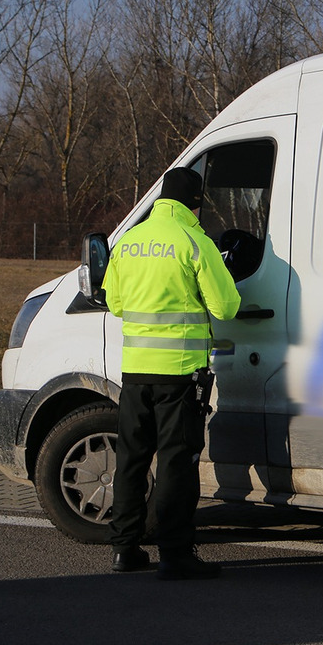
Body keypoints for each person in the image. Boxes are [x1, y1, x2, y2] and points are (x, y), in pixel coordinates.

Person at [101, 166, 241, 580]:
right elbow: (226, 307)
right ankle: (175, 554)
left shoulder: (130, 241)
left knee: (130, 459)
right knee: (176, 462)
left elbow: (116, 303)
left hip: (135, 372)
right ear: (194, 203)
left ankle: (125, 550)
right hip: (179, 374)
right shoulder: (193, 242)